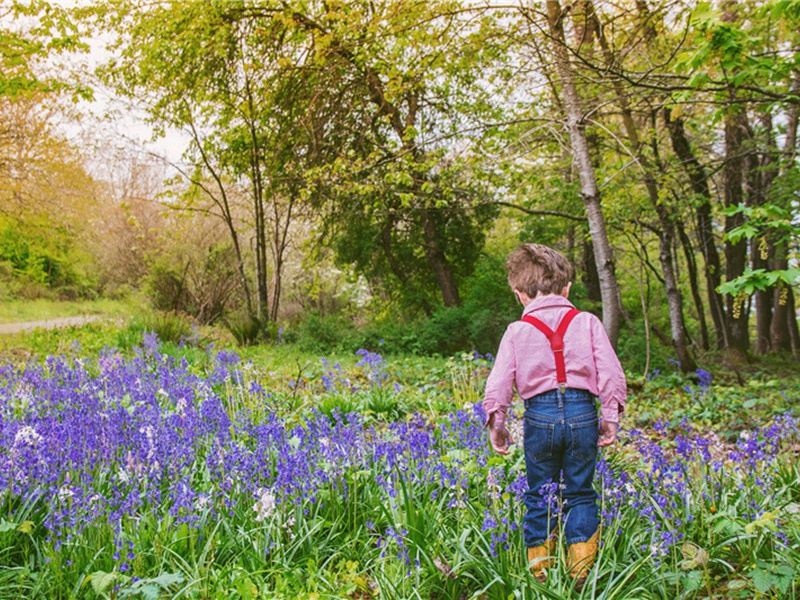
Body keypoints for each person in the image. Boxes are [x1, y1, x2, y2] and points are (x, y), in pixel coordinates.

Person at [482, 243, 626, 588]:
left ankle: (541, 573)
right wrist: (610, 416)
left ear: (519, 294)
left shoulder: (517, 331)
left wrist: (497, 424)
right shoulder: (588, 322)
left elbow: (499, 382)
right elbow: (611, 373)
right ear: (567, 289)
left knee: (539, 492)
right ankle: (580, 572)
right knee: (580, 492)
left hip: (539, 417)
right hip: (581, 413)